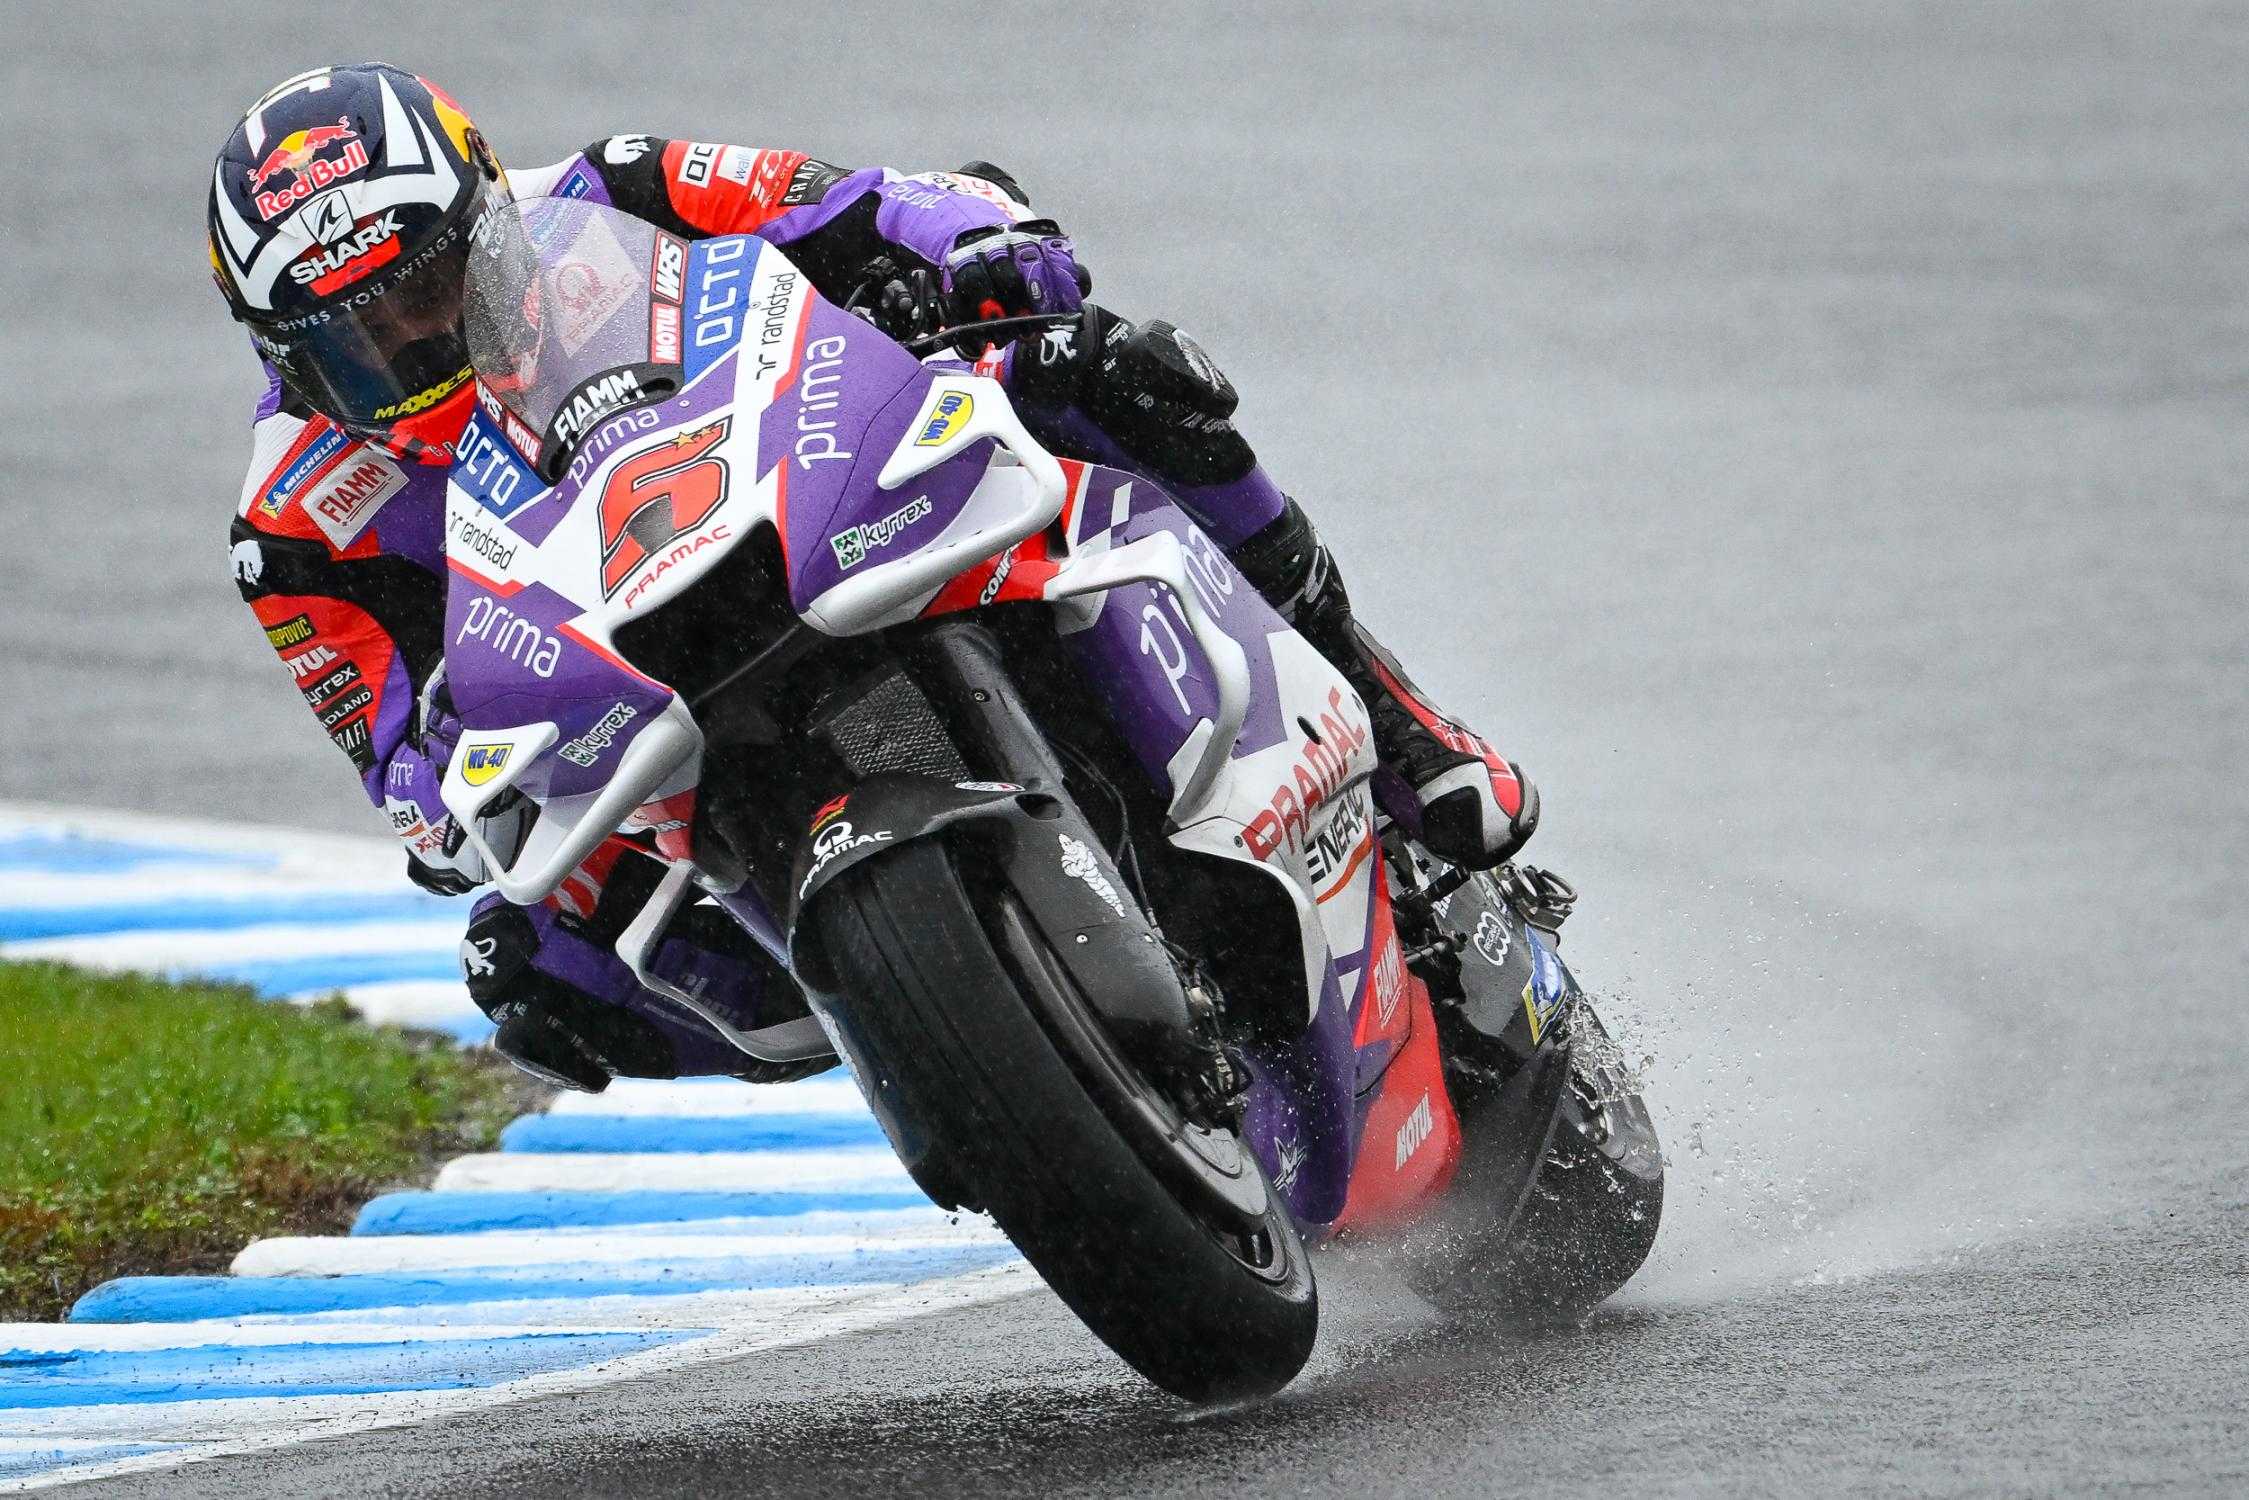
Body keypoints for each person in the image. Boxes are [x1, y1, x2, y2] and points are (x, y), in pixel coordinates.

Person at [210, 63, 1538, 1091]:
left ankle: (1402, 723)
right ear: (281, 352)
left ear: (487, 215)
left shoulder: (608, 188)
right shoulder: (292, 527)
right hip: (625, 692)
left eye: (434, 288)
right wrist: (440, 786)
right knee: (529, 967)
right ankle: (950, 1057)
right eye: (362, 343)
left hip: (817, 482)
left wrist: (975, 250)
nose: (418, 342)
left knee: (1110, 371)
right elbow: (395, 765)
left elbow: (851, 199)